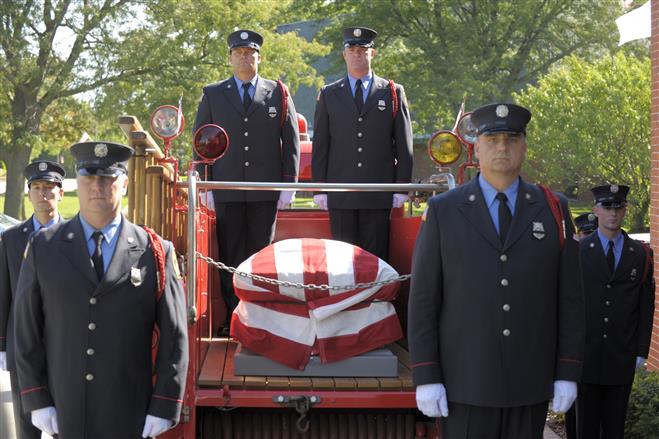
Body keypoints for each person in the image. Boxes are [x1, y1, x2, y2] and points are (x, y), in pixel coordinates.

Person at [408, 103, 585, 439]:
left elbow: (570, 299)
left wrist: (567, 371)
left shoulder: (552, 209)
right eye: (493, 139)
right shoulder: (444, 211)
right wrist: (427, 376)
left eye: (512, 138)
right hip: (465, 383)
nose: (503, 147)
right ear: (477, 147)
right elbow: (424, 301)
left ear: (524, 146)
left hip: (528, 381)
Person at [13, 142, 188, 439]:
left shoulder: (153, 251)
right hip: (65, 409)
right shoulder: (44, 247)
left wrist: (164, 404)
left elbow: (174, 337)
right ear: (77, 185)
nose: (97, 186)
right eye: (88, 178)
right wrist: (36, 398)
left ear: (125, 184)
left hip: (130, 411)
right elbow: (26, 330)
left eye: (107, 179)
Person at [193, 29, 300, 323]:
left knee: (260, 256)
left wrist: (288, 185)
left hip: (264, 190)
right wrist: (206, 186)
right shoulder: (213, 94)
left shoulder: (279, 92)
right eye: (238, 53)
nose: (244, 58)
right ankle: (233, 317)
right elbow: (200, 140)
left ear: (259, 58)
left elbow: (290, 140)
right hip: (226, 188)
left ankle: (260, 316)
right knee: (229, 257)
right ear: (230, 58)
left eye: (249, 53)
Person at [311, 26, 413, 261]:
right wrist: (320, 189)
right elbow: (321, 146)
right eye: (352, 49)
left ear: (372, 54)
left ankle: (375, 299)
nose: (358, 54)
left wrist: (401, 187)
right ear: (344, 54)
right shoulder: (329, 94)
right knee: (341, 260)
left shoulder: (393, 92)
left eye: (363, 50)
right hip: (340, 192)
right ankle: (346, 299)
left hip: (378, 191)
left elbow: (404, 143)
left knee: (376, 258)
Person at [576, 184, 654, 439]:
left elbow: (645, 306)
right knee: (585, 427)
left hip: (621, 355)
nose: (613, 213)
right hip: (585, 355)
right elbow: (568, 302)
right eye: (607, 207)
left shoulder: (640, 254)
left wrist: (641, 351)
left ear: (625, 211)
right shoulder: (578, 251)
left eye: (618, 207)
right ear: (595, 210)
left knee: (614, 428)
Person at [0, 160, 65, 439]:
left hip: (65, 348)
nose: (43, 194)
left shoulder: (76, 236)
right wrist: (3, 346)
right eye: (37, 187)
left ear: (61, 193)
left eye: (49, 187)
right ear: (28, 193)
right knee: (27, 430)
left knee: (67, 425)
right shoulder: (11, 239)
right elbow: (3, 293)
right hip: (22, 349)